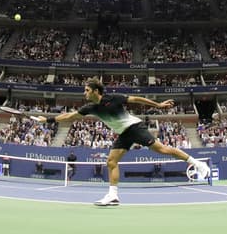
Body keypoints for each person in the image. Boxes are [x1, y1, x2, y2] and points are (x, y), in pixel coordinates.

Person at [35, 80, 209, 207]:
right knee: (111, 161)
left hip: (134, 127)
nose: (84, 93)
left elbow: (137, 99)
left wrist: (158, 105)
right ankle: (113, 195)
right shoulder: (91, 108)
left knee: (162, 149)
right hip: (124, 134)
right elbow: (69, 116)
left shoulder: (115, 98)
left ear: (96, 91)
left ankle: (197, 163)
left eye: (87, 90)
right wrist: (48, 119)